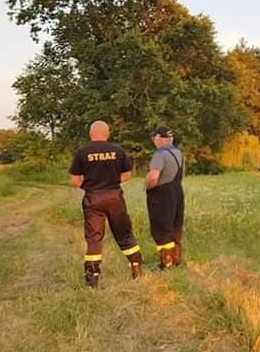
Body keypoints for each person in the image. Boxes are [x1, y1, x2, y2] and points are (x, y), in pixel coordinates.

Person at [69, 121, 144, 287]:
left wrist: (88, 186)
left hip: (93, 198)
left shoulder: (82, 152)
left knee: (94, 238)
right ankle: (137, 268)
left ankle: (92, 278)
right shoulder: (118, 150)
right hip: (115, 197)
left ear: (90, 133)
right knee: (124, 233)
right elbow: (127, 175)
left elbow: (74, 181)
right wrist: (110, 182)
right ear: (108, 133)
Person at [145, 127, 184, 269]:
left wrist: (148, 187)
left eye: (154, 138)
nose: (153, 141)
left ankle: (166, 262)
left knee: (161, 228)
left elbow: (154, 177)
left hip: (162, 194)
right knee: (175, 226)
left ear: (160, 138)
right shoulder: (178, 152)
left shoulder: (159, 155)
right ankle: (176, 259)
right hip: (177, 191)